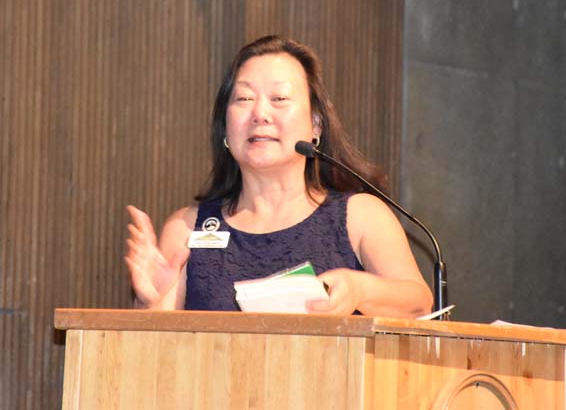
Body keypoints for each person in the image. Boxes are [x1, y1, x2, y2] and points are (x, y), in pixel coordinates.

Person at [125, 35, 433, 318]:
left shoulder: (361, 216)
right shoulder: (185, 230)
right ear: (225, 129)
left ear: (315, 125)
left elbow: (419, 302)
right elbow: (153, 354)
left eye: (280, 99)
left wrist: (358, 289)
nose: (259, 113)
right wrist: (150, 302)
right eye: (244, 99)